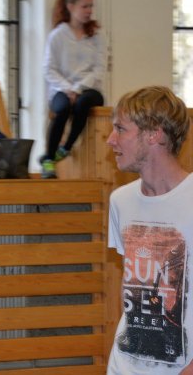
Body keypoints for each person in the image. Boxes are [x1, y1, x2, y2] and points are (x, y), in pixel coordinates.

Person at [106, 85, 193, 375]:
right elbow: (133, 286)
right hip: (123, 366)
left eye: (120, 129)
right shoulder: (120, 200)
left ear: (154, 134)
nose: (110, 139)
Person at [41, 0, 105, 179]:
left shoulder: (96, 36)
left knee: (83, 103)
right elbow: (49, 69)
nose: (89, 11)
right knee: (62, 109)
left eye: (91, 6)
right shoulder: (57, 35)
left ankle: (67, 146)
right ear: (70, 7)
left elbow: (99, 69)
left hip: (88, 88)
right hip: (62, 88)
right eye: (85, 6)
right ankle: (49, 159)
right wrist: (68, 89)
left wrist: (78, 89)